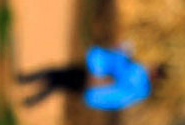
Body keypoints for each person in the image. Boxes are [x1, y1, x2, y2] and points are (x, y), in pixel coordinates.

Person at [16, 46, 166, 109]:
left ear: (154, 73)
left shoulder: (137, 73)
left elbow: (117, 68)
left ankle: (25, 80)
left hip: (93, 78)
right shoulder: (141, 92)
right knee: (58, 84)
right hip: (93, 91)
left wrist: (122, 52)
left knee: (55, 74)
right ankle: (30, 100)